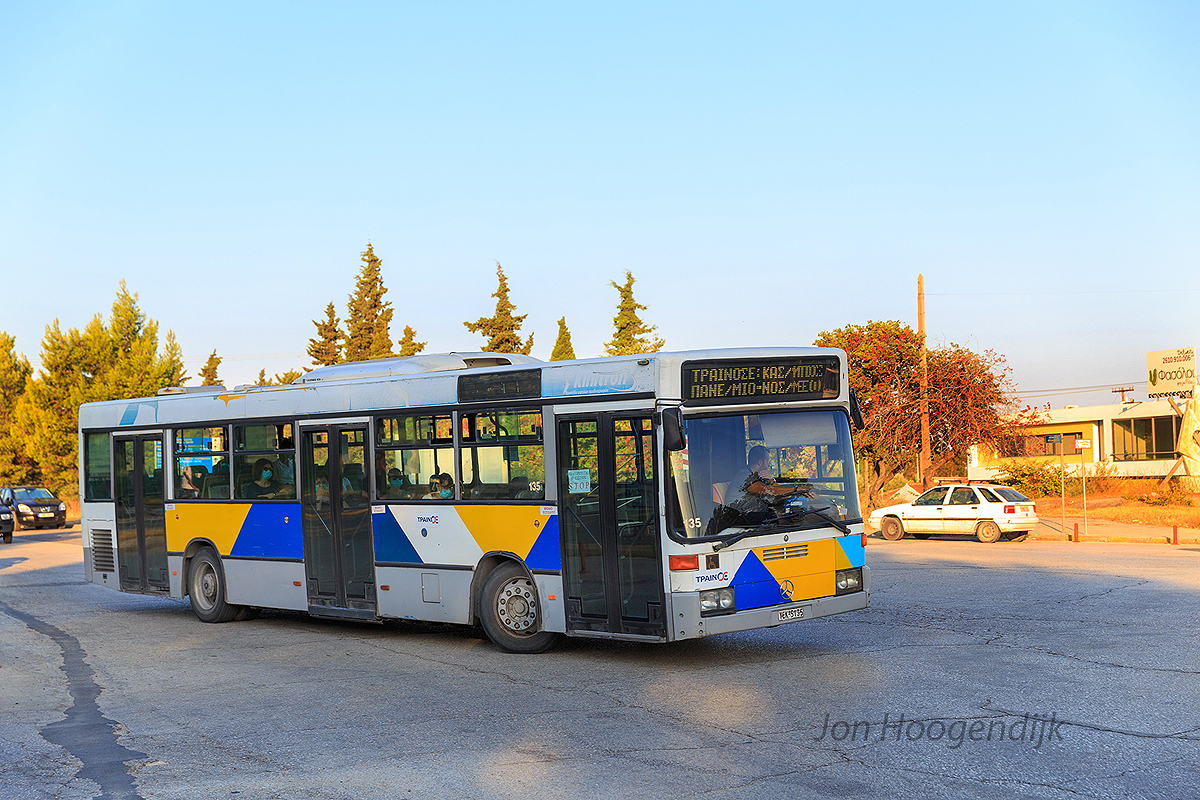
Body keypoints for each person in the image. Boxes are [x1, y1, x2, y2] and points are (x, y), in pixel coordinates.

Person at [725, 446, 802, 515]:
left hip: (756, 512)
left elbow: (778, 494)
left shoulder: (759, 477)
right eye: (768, 460)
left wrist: (771, 480)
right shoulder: (743, 475)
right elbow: (768, 491)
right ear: (760, 462)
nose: (769, 464)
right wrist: (796, 490)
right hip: (741, 516)